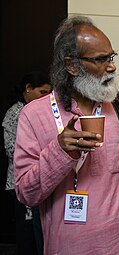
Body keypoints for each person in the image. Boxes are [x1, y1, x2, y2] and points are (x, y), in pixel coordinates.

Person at [13, 16, 119, 254]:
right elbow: (26, 192)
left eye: (111, 57)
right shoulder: (33, 115)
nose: (111, 66)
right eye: (100, 59)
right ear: (72, 65)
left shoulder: (112, 103)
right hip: (71, 244)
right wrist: (60, 150)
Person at [2, 71, 51, 255]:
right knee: (26, 233)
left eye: (49, 93)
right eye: (42, 92)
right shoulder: (16, 113)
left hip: (38, 178)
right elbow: (12, 149)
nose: (45, 98)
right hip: (21, 181)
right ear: (28, 89)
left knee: (37, 232)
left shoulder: (38, 111)